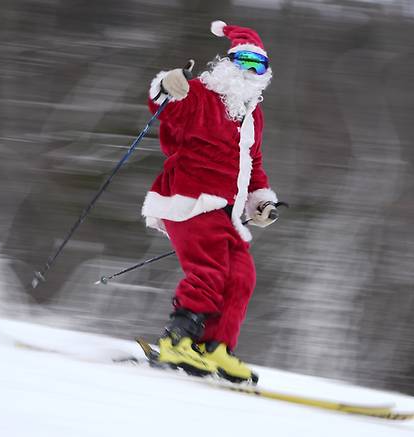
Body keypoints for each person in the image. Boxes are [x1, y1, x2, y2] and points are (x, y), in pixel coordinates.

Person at [141, 20, 279, 384]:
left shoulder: (253, 113)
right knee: (209, 270)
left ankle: (215, 347)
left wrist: (260, 201)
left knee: (241, 276)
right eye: (243, 62)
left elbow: (254, 163)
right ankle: (176, 341)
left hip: (226, 211)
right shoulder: (202, 93)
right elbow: (166, 107)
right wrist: (165, 87)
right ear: (228, 63)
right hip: (189, 198)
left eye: (258, 66)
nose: (249, 72)